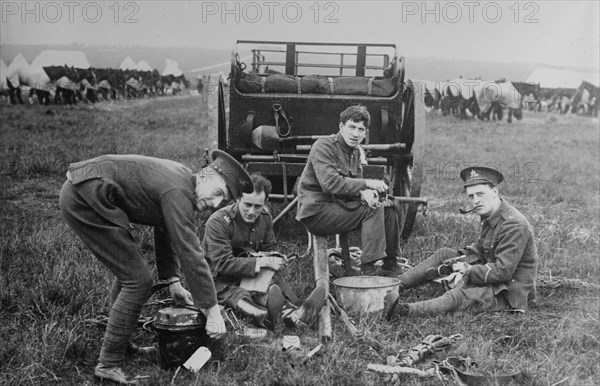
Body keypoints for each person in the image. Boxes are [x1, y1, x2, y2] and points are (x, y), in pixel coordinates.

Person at [59, 150, 253, 385]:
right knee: (138, 280)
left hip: (89, 191)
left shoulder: (183, 183)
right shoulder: (177, 191)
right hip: (85, 198)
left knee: (130, 272)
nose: (215, 204)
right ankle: (108, 363)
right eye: (218, 193)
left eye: (222, 202)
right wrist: (212, 310)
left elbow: (164, 227)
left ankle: (122, 344)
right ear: (204, 176)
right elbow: (191, 253)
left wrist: (172, 281)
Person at [384, 166, 538, 320]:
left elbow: (503, 271)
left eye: (480, 194)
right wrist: (456, 261)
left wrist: (468, 271)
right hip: (493, 274)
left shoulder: (513, 224)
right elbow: (481, 249)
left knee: (458, 295)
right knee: (445, 254)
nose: (476, 200)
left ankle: (402, 312)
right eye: (471, 196)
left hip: (509, 289)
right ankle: (393, 285)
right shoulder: (492, 214)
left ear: (495, 192)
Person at [295, 105, 404, 277]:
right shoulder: (324, 146)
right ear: (341, 127)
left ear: (365, 133)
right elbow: (330, 183)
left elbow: (349, 183)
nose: (355, 134)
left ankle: (390, 264)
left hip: (337, 207)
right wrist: (366, 185)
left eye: (361, 130)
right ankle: (368, 270)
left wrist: (368, 193)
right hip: (317, 212)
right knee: (372, 210)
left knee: (389, 204)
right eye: (352, 127)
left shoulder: (354, 152)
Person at [202, 174, 293, 329]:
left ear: (265, 203)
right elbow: (221, 263)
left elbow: (270, 247)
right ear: (238, 199)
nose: (252, 211)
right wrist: (260, 262)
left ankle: (290, 311)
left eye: (257, 206)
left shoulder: (264, 217)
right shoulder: (218, 222)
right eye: (247, 204)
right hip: (217, 278)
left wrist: (275, 259)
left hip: (250, 275)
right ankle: (261, 314)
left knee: (280, 289)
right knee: (238, 296)